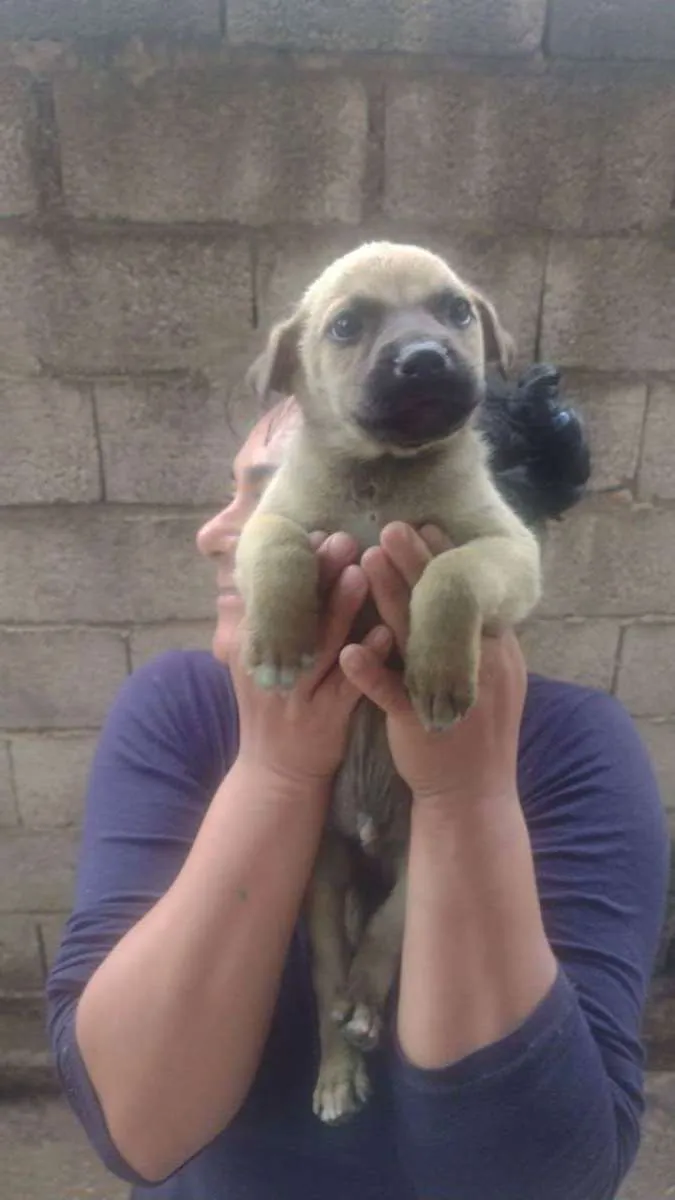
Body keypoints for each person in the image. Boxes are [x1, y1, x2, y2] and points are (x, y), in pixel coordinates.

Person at [47, 365, 668, 1200]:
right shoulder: (183, 712)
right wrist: (276, 772)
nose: (213, 533)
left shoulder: (570, 748)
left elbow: (542, 1177)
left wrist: (465, 798)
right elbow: (138, 1125)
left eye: (278, 492)